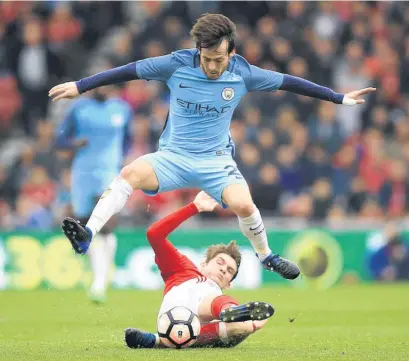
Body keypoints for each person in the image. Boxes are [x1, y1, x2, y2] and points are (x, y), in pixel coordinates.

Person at [49, 13, 376, 280]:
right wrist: (81, 85)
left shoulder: (243, 73)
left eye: (219, 59)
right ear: (198, 50)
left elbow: (290, 82)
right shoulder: (176, 64)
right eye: (206, 58)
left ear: (231, 52)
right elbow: (128, 71)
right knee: (129, 173)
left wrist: (337, 97)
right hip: (173, 157)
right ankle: (88, 234)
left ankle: (266, 256)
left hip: (216, 162)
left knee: (244, 205)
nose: (212, 66)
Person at [125, 191, 274, 349]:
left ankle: (155, 340)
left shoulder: (217, 292)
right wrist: (194, 207)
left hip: (196, 328)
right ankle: (229, 312)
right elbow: (154, 234)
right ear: (203, 264)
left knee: (237, 324)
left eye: (230, 270)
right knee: (239, 322)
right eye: (220, 262)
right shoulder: (183, 267)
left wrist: (252, 327)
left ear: (229, 284)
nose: (223, 270)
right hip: (174, 314)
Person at [55, 84, 133, 302]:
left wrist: (122, 158)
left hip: (109, 172)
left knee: (106, 226)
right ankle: (100, 277)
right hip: (83, 173)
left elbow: (128, 140)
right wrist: (73, 143)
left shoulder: (122, 109)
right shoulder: (79, 109)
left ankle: (99, 283)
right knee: (83, 227)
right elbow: (59, 138)